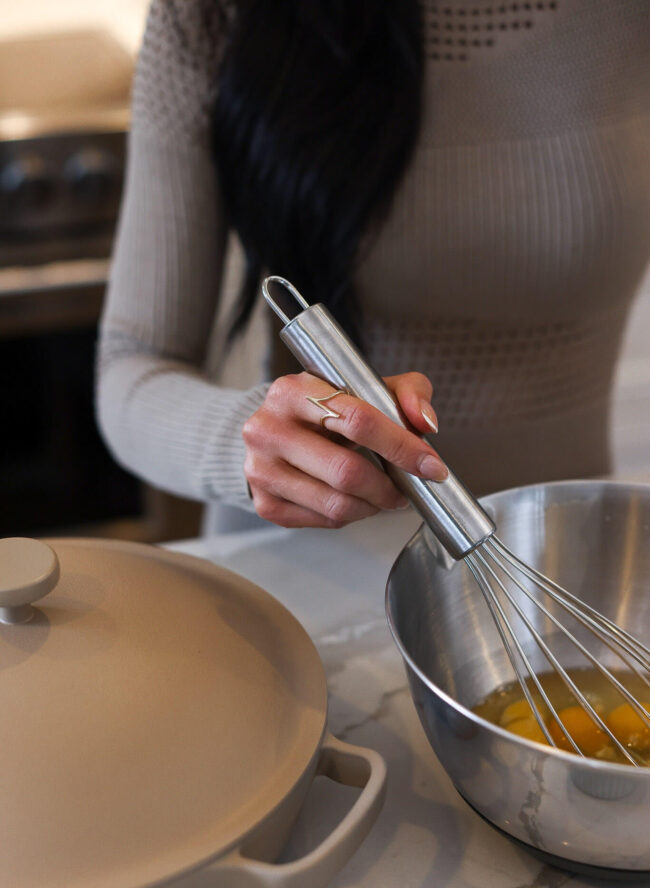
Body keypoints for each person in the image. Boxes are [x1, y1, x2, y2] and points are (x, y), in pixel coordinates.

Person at [96, 0, 650, 534]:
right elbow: (132, 367)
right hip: (303, 567)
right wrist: (243, 442)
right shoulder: (211, 12)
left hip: (567, 552)